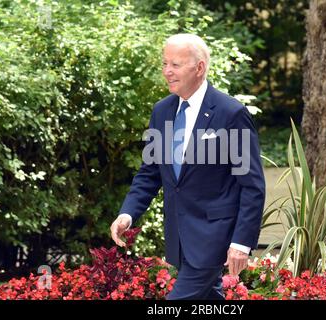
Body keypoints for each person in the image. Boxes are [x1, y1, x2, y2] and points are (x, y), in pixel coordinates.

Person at [110, 33, 265, 300]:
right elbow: (150, 172)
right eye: (165, 64)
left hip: (214, 236)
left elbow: (251, 186)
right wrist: (128, 213)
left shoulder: (231, 113)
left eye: (176, 65)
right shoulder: (161, 111)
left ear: (199, 68)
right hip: (180, 237)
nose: (167, 72)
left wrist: (241, 242)